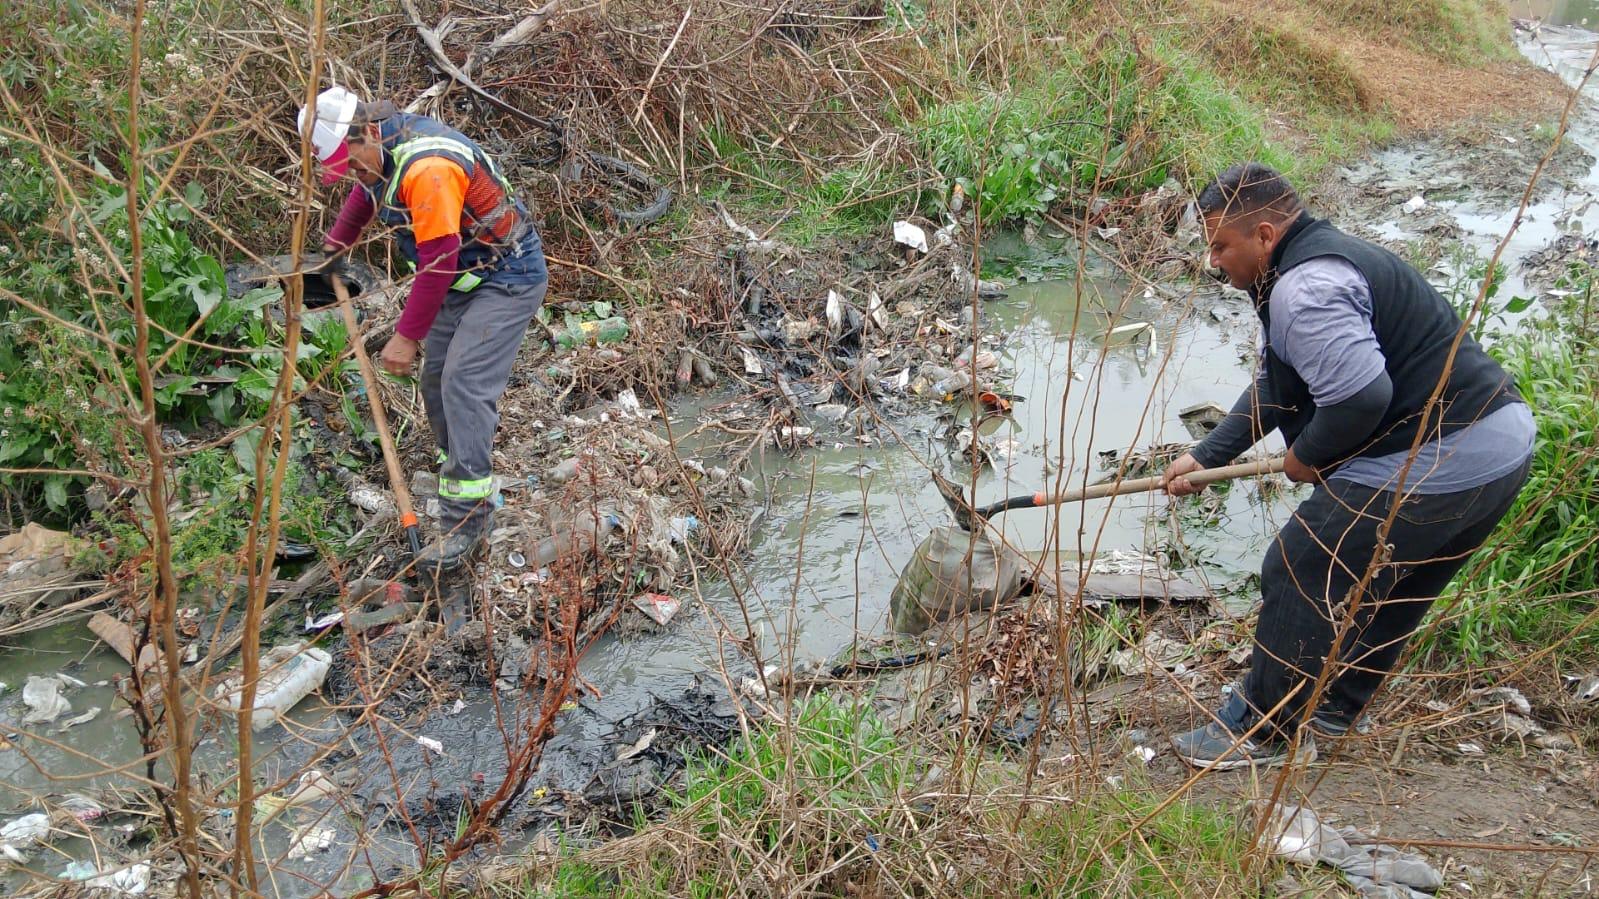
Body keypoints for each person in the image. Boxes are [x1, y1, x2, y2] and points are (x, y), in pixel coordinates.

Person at [1161, 162, 1534, 769]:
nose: (1214, 261)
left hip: (1444, 452)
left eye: (1221, 246)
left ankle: (1261, 732)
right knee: (1388, 589)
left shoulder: (1302, 289)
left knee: (1297, 564)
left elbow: (1362, 397)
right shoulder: (1317, 263)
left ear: (1263, 235)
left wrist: (1306, 456)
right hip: (1504, 443)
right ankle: (1332, 711)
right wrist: (1206, 455)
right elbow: (1279, 386)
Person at [298, 85, 548, 574]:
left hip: (506, 277)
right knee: (436, 382)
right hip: (463, 279)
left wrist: (406, 336)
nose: (351, 174)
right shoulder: (379, 151)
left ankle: (467, 523)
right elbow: (365, 193)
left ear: (366, 131)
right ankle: (458, 467)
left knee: (464, 383)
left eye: (349, 163)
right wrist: (332, 250)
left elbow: (437, 262)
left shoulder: (428, 168)